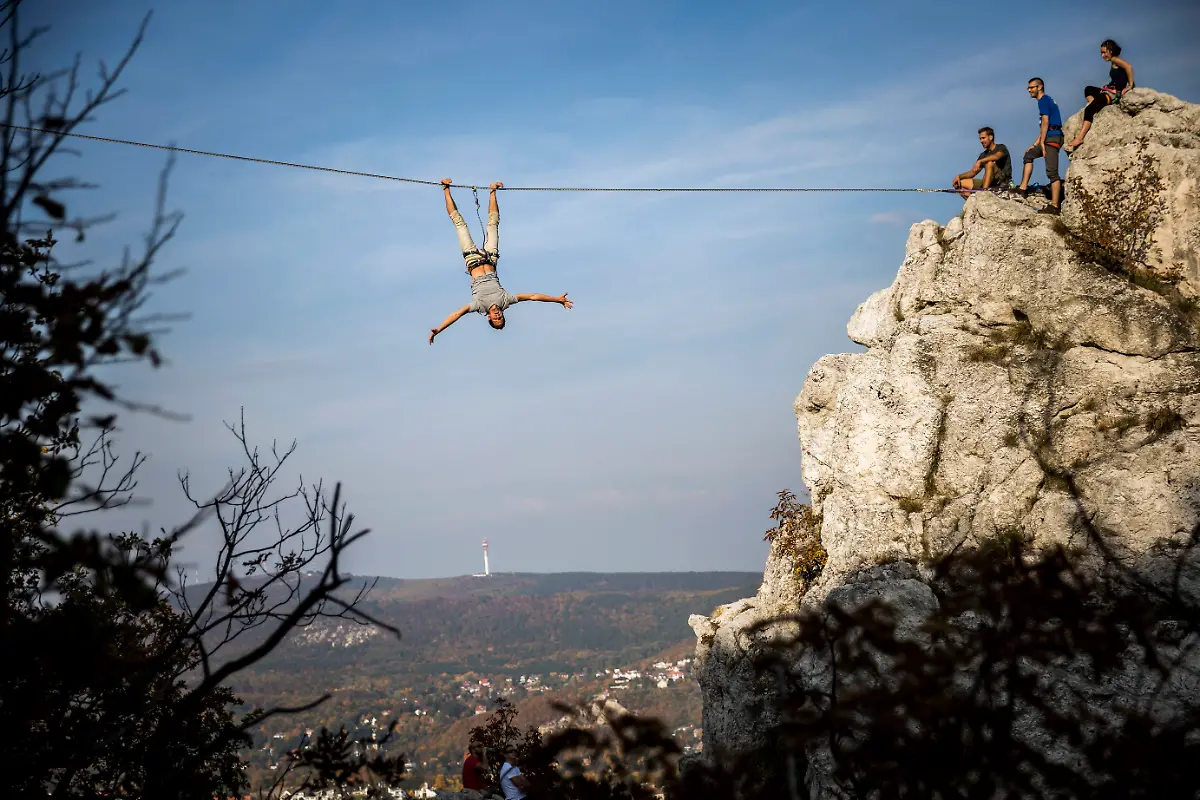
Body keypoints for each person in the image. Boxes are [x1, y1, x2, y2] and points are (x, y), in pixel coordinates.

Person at [429, 179, 574, 344]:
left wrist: (439, 330)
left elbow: (456, 314)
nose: (498, 315)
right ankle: (493, 190)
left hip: (472, 258)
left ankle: (445, 189)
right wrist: (556, 300)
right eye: (501, 318)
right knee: (493, 224)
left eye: (495, 319)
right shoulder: (506, 300)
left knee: (459, 224)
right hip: (490, 258)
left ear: (489, 318)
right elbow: (533, 296)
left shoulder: (479, 306)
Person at [1066, 39, 1135, 153]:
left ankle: (1080, 138)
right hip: (1108, 90)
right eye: (1101, 53)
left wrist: (1130, 85)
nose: (1102, 55)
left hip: (1112, 94)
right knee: (1088, 89)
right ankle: (1095, 106)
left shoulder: (1115, 59)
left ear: (1110, 50)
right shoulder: (1113, 61)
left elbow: (1129, 67)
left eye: (1104, 52)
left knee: (1088, 110)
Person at [1016, 78, 1064, 215]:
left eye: (1032, 87)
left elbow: (1045, 122)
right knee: (1029, 155)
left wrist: (1042, 142)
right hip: (1050, 136)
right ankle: (1023, 188)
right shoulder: (1046, 100)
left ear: (1040, 87)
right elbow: (1045, 127)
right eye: (1028, 88)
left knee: (1052, 172)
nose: (1029, 90)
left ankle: (1055, 206)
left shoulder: (1043, 100)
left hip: (1052, 138)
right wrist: (1035, 144)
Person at [952, 127, 1012, 198]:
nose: (981, 141)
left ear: (991, 137)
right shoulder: (983, 155)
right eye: (980, 139)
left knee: (989, 164)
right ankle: (974, 201)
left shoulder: (1001, 147)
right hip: (989, 182)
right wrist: (959, 176)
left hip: (1002, 182)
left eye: (983, 138)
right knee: (961, 184)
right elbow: (973, 172)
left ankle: (983, 193)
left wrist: (980, 161)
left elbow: (996, 156)